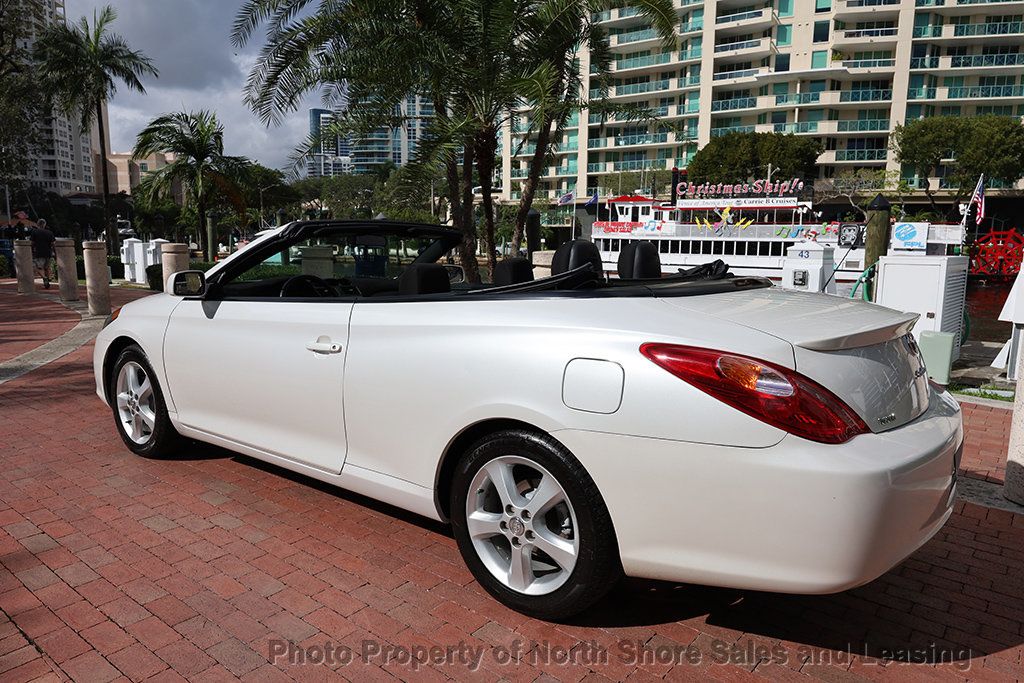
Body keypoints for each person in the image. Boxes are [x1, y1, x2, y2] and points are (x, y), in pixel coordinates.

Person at [29, 218, 56, 289]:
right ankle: (46, 282)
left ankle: (45, 278)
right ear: (45, 224)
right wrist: (55, 252)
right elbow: (53, 243)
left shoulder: (34, 232)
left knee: (38, 268)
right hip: (48, 252)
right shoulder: (50, 232)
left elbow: (32, 243)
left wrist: (31, 251)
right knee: (46, 268)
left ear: (38, 224)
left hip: (38, 252)